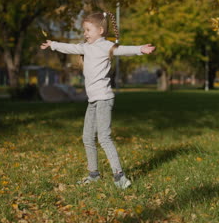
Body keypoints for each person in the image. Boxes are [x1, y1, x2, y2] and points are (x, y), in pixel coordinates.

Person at [40, 12, 155, 189]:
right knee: (87, 137)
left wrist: (140, 49)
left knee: (104, 137)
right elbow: (70, 48)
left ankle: (119, 177)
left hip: (104, 99)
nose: (85, 33)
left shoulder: (105, 46)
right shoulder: (86, 47)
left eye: (88, 30)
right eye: (84, 30)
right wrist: (53, 44)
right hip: (93, 100)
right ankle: (93, 175)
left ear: (100, 30)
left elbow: (123, 50)